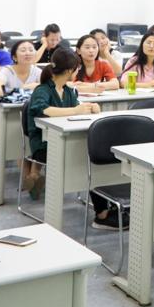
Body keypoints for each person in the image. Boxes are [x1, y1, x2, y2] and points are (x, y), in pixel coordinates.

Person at [23, 50, 98, 200]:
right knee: (81, 156)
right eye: (77, 69)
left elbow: (78, 108)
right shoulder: (42, 90)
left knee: (89, 155)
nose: (78, 71)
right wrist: (75, 110)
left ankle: (34, 177)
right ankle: (34, 178)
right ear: (70, 70)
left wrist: (91, 108)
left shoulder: (69, 91)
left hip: (64, 139)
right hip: (43, 144)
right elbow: (43, 109)